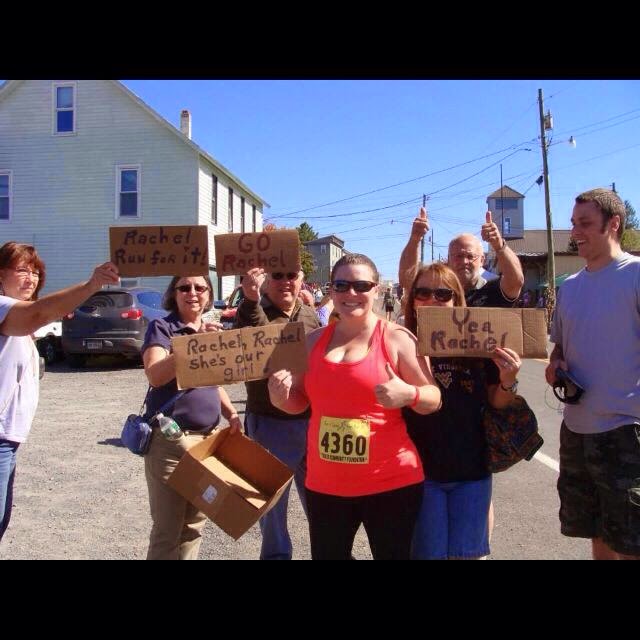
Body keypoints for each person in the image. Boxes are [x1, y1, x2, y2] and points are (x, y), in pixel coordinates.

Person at [268, 254, 442, 560]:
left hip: (390, 482)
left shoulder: (398, 339)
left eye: (361, 286)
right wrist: (279, 398)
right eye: (342, 285)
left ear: (376, 289)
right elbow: (300, 403)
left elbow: (434, 398)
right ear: (331, 290)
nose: (351, 293)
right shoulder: (311, 342)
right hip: (325, 484)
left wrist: (409, 394)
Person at [399, 205, 524, 538]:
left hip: (471, 459)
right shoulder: (404, 337)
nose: (433, 299)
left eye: (443, 294)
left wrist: (508, 380)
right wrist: (415, 238)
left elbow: (516, 280)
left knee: (471, 541)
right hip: (419, 464)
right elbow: (409, 280)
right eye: (458, 255)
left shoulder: (491, 294)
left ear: (481, 259)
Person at [0, 241, 119, 542]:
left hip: (9, 439)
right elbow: (38, 313)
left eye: (36, 272)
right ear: (0, 274)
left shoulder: (17, 319)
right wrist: (92, 285)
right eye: (22, 270)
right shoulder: (3, 307)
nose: (31, 278)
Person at [545, 188, 640, 561]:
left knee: (631, 542)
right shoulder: (570, 288)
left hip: (627, 431)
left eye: (585, 223)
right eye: (573, 224)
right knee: (596, 532)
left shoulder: (634, 275)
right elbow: (559, 349)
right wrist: (556, 366)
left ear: (613, 224)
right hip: (577, 431)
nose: (575, 232)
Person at [142, 274, 242, 560]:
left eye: (200, 287)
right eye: (184, 287)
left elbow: (212, 382)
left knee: (194, 527)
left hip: (207, 444)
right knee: (167, 531)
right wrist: (193, 344)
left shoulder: (212, 329)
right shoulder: (162, 327)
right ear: (173, 294)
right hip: (171, 442)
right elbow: (155, 375)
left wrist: (231, 412)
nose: (193, 293)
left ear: (209, 294)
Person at [234, 268, 320, 560]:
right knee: (271, 505)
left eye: (291, 275)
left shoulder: (309, 313)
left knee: (321, 499)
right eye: (278, 275)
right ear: (267, 280)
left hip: (312, 421)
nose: (285, 282)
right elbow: (252, 338)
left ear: (301, 278)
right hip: (270, 423)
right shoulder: (252, 309)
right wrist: (250, 299)